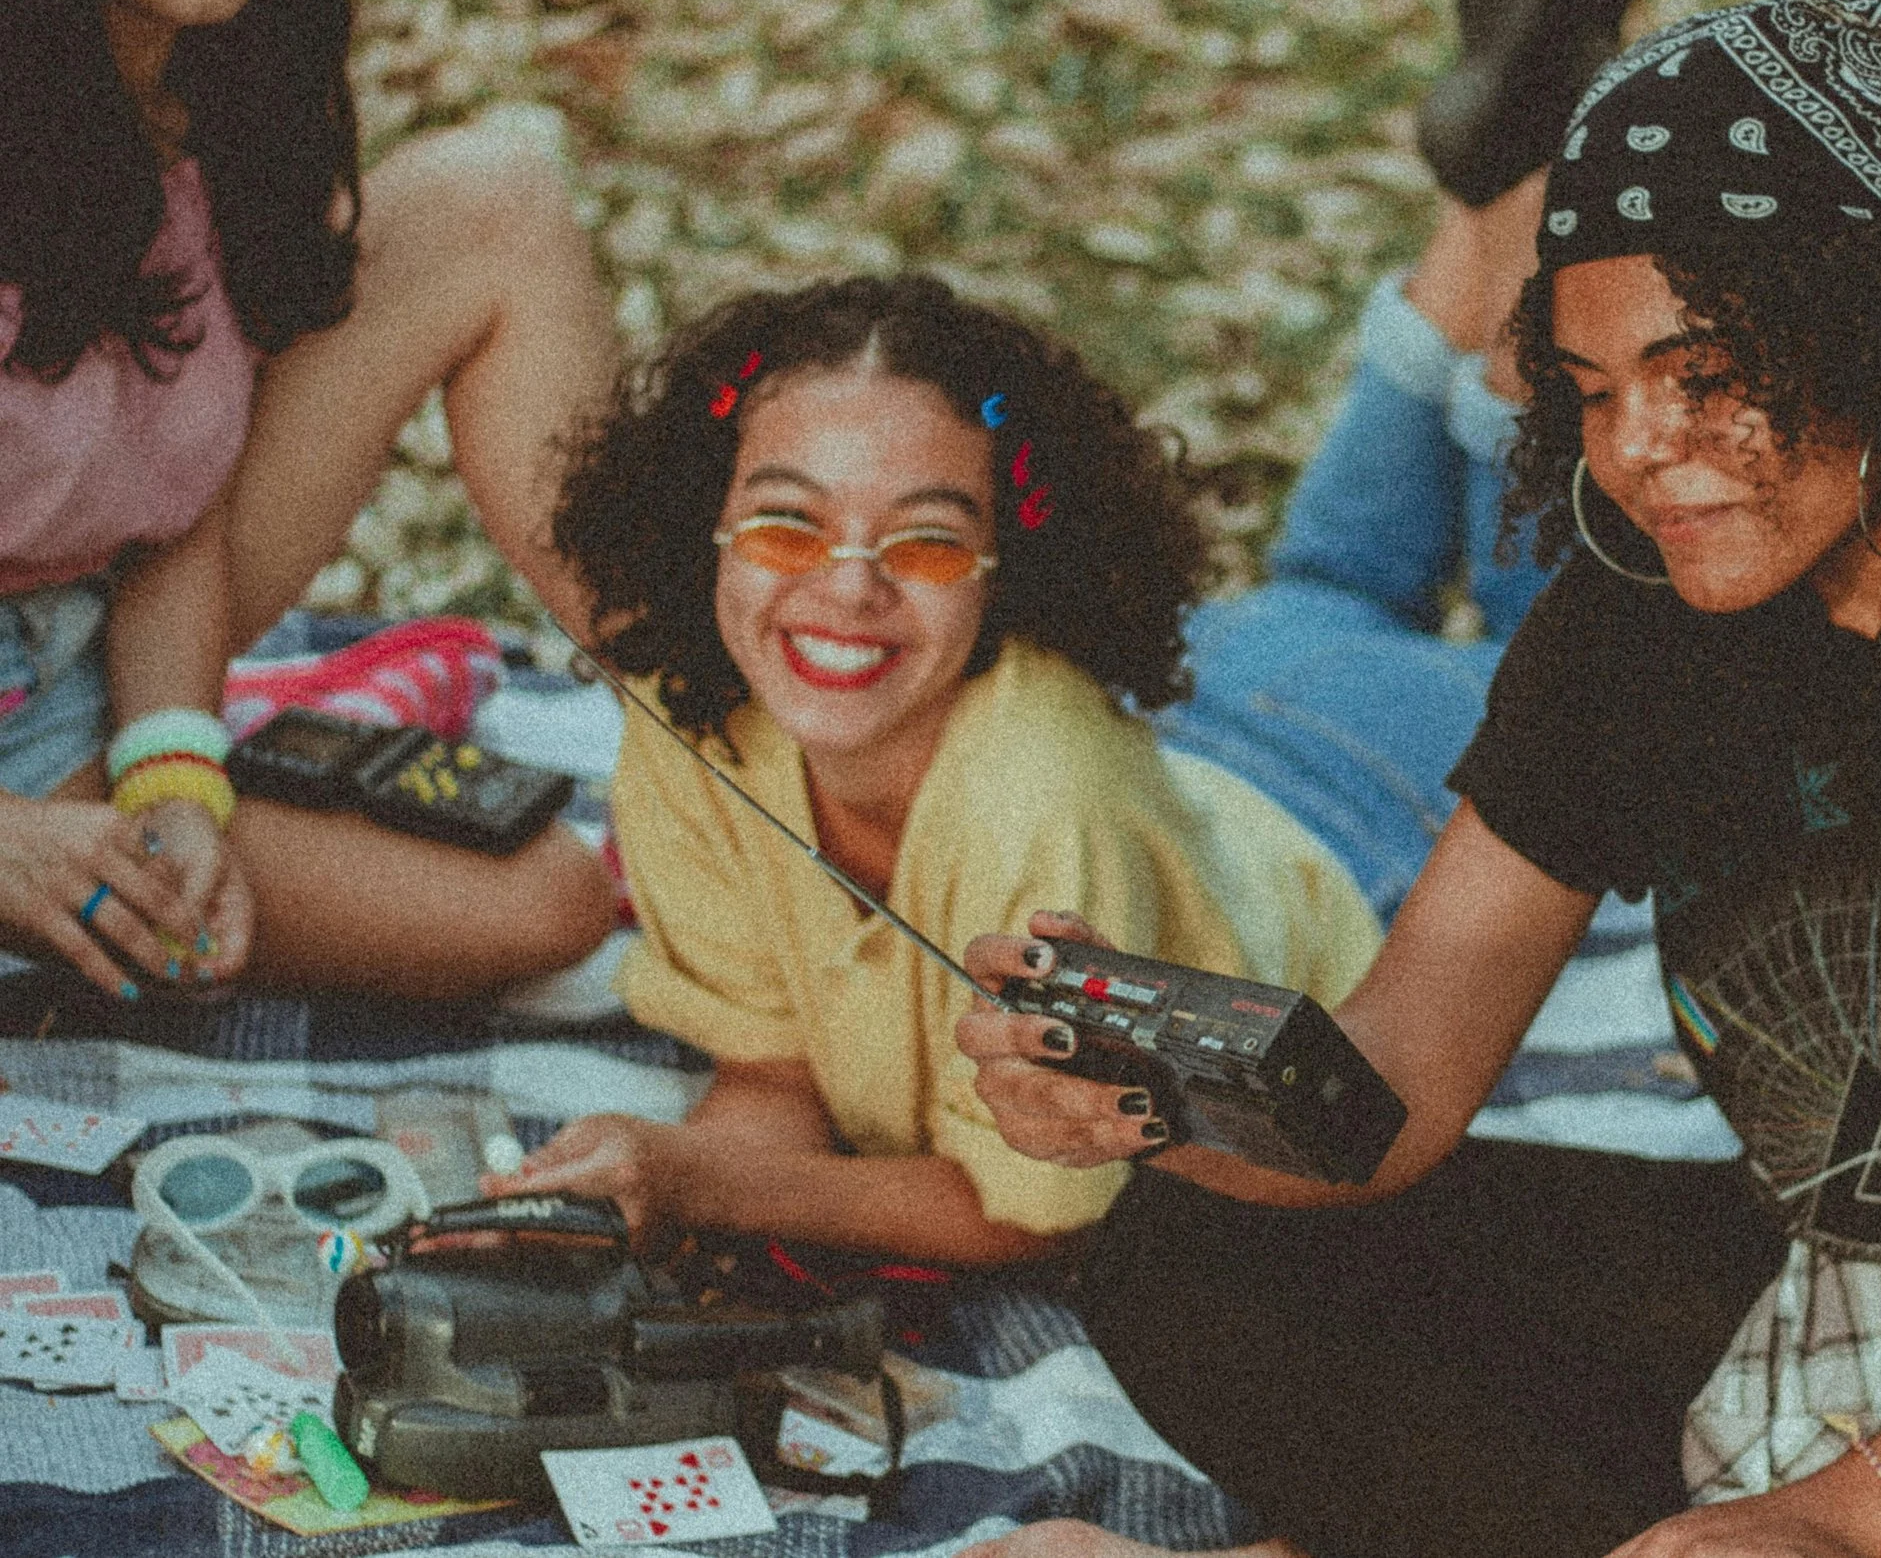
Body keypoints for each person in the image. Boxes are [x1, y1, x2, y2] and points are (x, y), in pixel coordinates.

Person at [956, 0, 1881, 1558]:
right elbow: (1394, 1083)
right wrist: (1149, 1084)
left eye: (1704, 370)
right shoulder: (1641, 608)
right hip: (1841, 1301)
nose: (1637, 449)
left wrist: (1836, 1514)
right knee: (1188, 1251)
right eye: (1592, 390)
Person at [476, 275, 1383, 1263]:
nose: (848, 587)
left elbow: (1038, 1215)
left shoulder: (1048, 806)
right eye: (787, 525)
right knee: (1336, 596)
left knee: (1358, 606)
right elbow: (775, 1071)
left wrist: (697, 1179)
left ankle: (1433, 323)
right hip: (1205, 785)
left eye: (930, 544)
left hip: (1345, 804)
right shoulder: (688, 703)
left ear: (1011, 563)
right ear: (707, 525)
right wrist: (651, 1202)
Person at [0, 0, 619, 1004]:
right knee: (544, 898)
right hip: (20, 767)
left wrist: (174, 778)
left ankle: (737, 730)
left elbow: (168, 500)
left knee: (496, 199)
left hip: (84, 637)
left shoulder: (214, 73)